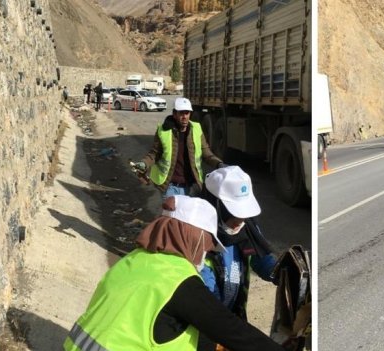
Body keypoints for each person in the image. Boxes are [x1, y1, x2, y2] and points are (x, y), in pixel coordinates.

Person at [63, 195, 285, 351]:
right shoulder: (179, 280)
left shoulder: (132, 260)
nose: (206, 252)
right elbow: (230, 329)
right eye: (207, 244)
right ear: (193, 238)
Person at [198, 166, 280, 349]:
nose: (240, 221)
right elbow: (207, 302)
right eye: (234, 213)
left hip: (233, 317)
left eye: (244, 213)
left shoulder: (247, 228)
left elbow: (262, 260)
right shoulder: (198, 239)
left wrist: (283, 272)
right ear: (214, 205)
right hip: (205, 327)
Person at [134, 97, 224, 199]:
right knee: (172, 215)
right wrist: (144, 163)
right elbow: (155, 153)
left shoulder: (196, 129)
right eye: (181, 113)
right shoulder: (164, 131)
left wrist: (219, 163)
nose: (185, 116)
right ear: (174, 114)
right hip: (170, 187)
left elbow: (207, 153)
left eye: (187, 113)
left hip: (192, 187)